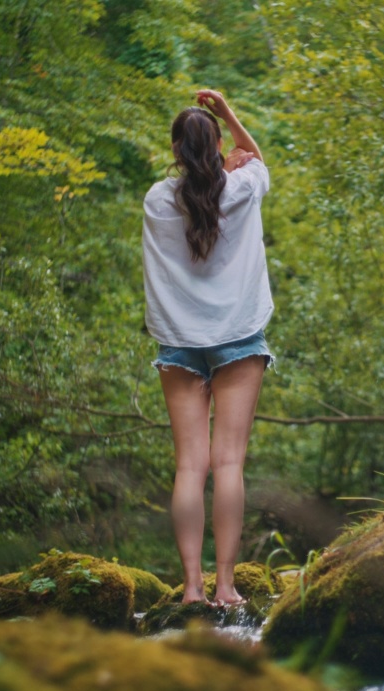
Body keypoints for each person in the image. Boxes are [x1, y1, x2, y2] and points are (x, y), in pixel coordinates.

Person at [141, 89, 273, 606]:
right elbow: (258, 158)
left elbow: (198, 185)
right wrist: (228, 116)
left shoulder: (156, 199)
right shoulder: (242, 187)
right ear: (217, 145)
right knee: (230, 465)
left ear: (175, 151)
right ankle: (226, 586)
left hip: (178, 343)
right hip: (239, 337)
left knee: (190, 467)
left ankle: (192, 588)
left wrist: (220, 159)